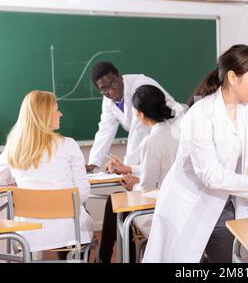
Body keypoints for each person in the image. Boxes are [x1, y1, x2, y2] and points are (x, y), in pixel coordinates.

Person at [143, 44, 248, 263]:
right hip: (189, 204)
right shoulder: (200, 114)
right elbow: (210, 175)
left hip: (227, 205)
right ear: (233, 77)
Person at [0, 90, 93, 257]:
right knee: (86, 218)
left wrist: (17, 187)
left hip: (28, 234)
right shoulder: (68, 145)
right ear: (45, 115)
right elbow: (83, 192)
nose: (60, 113)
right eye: (56, 110)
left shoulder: (13, 149)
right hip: (69, 232)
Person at [98, 85, 180, 263]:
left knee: (115, 204)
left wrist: (132, 185)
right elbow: (163, 167)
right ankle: (103, 258)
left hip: (157, 211)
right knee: (116, 201)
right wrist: (130, 169)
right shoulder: (175, 133)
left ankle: (108, 258)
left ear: (140, 114)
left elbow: (146, 188)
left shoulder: (151, 142)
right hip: (178, 206)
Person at [85, 61, 183, 172]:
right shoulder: (108, 100)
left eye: (112, 83)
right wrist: (93, 163)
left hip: (172, 135)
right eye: (104, 88)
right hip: (152, 141)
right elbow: (105, 129)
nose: (110, 91)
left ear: (119, 75)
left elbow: (139, 130)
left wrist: (126, 166)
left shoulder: (140, 88)